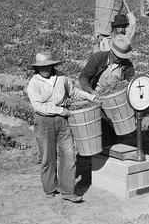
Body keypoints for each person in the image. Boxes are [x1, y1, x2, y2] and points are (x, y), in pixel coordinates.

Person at [26, 51, 98, 202]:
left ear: (52, 65)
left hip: (63, 121)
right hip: (44, 121)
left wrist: (91, 96)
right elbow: (38, 106)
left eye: (47, 66)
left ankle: (67, 190)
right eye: (41, 67)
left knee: (69, 154)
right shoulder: (34, 82)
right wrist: (60, 110)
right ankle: (50, 188)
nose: (44, 69)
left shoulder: (61, 77)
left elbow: (73, 92)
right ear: (36, 68)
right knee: (47, 156)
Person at [79, 35, 135, 146]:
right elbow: (83, 77)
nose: (119, 59)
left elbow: (131, 82)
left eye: (122, 56)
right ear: (112, 51)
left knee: (117, 129)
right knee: (103, 127)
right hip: (98, 98)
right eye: (117, 56)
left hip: (117, 101)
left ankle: (115, 145)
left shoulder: (127, 65)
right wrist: (91, 91)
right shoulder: (98, 58)